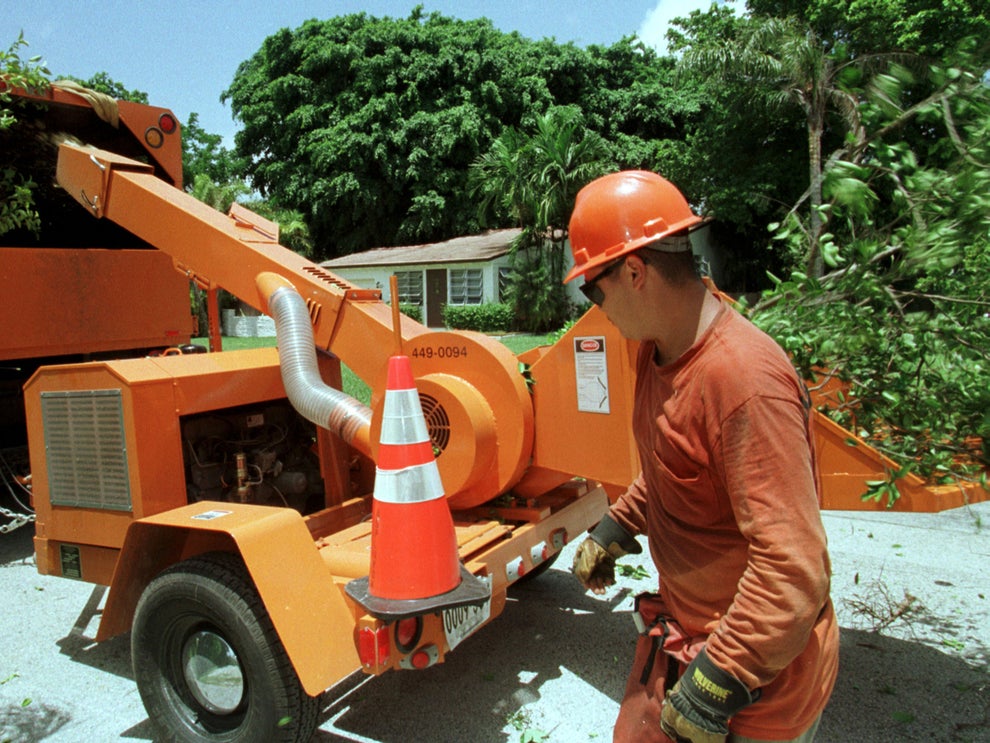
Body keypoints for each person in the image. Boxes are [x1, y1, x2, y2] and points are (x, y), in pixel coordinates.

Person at [566, 170, 839, 743]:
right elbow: (674, 465)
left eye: (593, 289)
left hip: (758, 685)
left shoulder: (743, 382)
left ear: (634, 272)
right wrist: (616, 525)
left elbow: (793, 568)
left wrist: (716, 682)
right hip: (694, 638)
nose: (595, 306)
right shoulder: (656, 352)